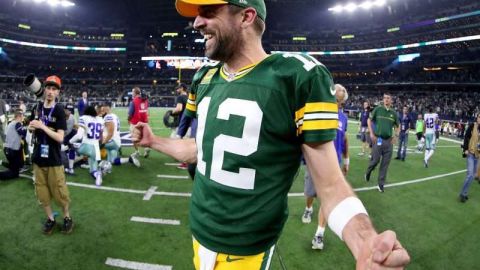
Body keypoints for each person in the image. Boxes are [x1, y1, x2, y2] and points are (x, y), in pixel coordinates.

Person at [132, 1, 410, 269]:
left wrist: (364, 243)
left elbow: (329, 184)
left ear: (246, 17)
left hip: (245, 249)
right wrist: (154, 141)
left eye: (209, 12)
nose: (196, 22)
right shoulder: (204, 78)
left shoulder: (296, 76)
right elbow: (201, 148)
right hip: (200, 233)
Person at [302, 84, 350, 250]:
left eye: (342, 90)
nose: (339, 90)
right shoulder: (319, 111)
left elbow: (344, 140)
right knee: (310, 192)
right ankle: (308, 208)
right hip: (315, 160)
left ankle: (319, 235)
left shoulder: (343, 118)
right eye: (337, 89)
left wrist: (346, 160)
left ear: (343, 98)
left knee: (327, 198)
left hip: (334, 162)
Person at [28, 75, 73, 235]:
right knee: (42, 194)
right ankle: (51, 219)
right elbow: (31, 126)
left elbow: (60, 138)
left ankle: (67, 217)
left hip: (54, 159)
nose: (50, 91)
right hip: (38, 158)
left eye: (54, 89)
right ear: (44, 89)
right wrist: (32, 128)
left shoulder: (59, 110)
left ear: (58, 93)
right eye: (48, 88)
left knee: (60, 193)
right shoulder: (37, 108)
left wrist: (43, 126)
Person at [365, 92, 399, 192]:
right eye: (385, 98)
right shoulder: (378, 109)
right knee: (375, 160)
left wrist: (396, 136)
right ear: (383, 100)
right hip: (378, 139)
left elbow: (398, 125)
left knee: (385, 164)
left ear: (391, 100)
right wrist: (371, 133)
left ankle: (380, 184)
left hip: (389, 141)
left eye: (388, 98)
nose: (386, 100)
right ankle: (368, 171)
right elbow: (369, 120)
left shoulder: (394, 113)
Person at [69, 105, 104, 186]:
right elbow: (101, 136)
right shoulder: (100, 119)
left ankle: (70, 168)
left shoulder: (84, 118)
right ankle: (97, 175)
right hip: (96, 148)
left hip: (86, 146)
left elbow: (79, 136)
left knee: (71, 147)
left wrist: (70, 141)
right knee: (93, 171)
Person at [100, 103, 140, 172]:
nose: (103, 109)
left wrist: (103, 143)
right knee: (112, 161)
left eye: (104, 107)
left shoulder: (108, 117)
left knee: (94, 145)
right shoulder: (115, 116)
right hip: (117, 141)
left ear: (108, 107)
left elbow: (110, 133)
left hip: (112, 141)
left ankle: (90, 163)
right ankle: (129, 159)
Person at [458, 114, 480, 202]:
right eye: (479, 117)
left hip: (477, 155)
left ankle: (465, 192)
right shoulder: (472, 125)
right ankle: (462, 194)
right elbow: (466, 137)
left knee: (472, 175)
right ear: (477, 118)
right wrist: (465, 149)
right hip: (470, 153)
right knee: (470, 174)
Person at [0, 109, 26, 180]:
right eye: (22, 116)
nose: (23, 118)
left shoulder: (10, 124)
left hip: (7, 149)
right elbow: (23, 133)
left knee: (15, 167)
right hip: (12, 150)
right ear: (19, 116)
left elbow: (6, 134)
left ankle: (2, 163)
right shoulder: (17, 123)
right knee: (15, 173)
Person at [128, 87, 150, 158]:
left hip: (135, 123)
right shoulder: (145, 100)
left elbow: (130, 114)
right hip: (144, 123)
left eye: (132, 92)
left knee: (134, 138)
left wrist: (128, 120)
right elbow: (146, 110)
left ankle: (137, 151)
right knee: (143, 137)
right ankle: (146, 148)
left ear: (135, 93)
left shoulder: (133, 101)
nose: (132, 93)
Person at [172, 83, 190, 169]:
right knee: (187, 143)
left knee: (178, 142)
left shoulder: (180, 97)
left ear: (182, 88)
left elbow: (179, 109)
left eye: (178, 88)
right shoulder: (189, 96)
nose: (176, 90)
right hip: (191, 123)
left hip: (183, 123)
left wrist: (172, 112)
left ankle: (185, 162)